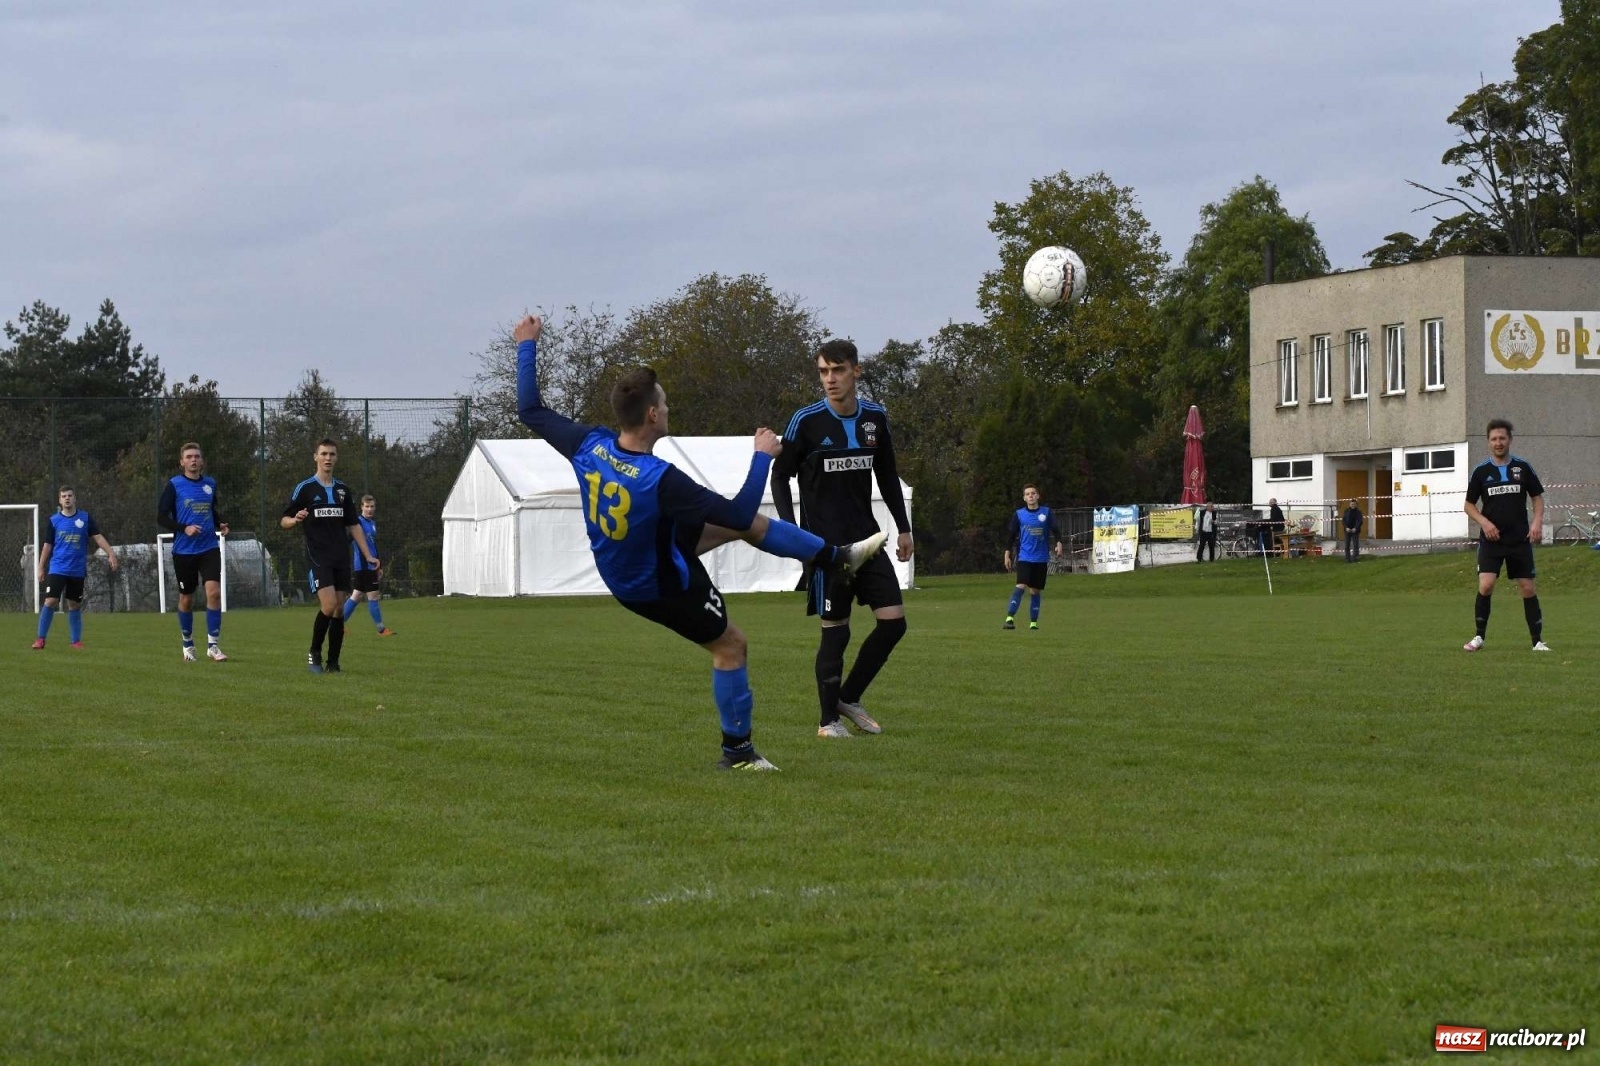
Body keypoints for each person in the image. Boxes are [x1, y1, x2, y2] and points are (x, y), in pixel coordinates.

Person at [513, 315, 885, 772]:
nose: (668, 408)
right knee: (731, 646)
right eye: (664, 403)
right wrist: (760, 458)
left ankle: (834, 558)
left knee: (746, 530)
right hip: (657, 581)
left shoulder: (589, 444)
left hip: (632, 553)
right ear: (651, 415)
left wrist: (526, 344)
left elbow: (529, 409)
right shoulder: (660, 479)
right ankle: (739, 753)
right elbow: (736, 509)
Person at [771, 338, 914, 740]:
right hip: (825, 548)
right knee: (837, 631)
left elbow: (887, 474)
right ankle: (827, 722)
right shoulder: (807, 421)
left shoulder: (875, 418)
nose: (830, 379)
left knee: (893, 624)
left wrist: (903, 528)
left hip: (868, 542)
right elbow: (780, 475)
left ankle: (848, 698)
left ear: (856, 371)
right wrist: (791, 532)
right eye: (823, 371)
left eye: (837, 370)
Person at [281, 439, 378, 673]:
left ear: (336, 457)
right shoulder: (305, 488)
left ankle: (333, 662)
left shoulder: (343, 490)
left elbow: (354, 525)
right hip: (318, 556)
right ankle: (314, 653)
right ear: (315, 456)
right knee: (329, 606)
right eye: (323, 453)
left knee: (338, 610)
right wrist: (295, 520)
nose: (328, 458)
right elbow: (283, 520)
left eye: (332, 454)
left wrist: (368, 555)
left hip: (340, 557)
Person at [1462, 418, 1548, 652]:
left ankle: (1537, 641)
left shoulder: (1523, 467)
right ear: (1488, 442)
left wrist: (1537, 522)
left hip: (1519, 539)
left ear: (1509, 439)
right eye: (1493, 439)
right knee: (1487, 584)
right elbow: (1468, 505)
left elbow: (1537, 497)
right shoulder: (1481, 471)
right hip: (1491, 541)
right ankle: (1479, 637)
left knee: (1527, 587)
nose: (1498, 442)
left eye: (1502, 438)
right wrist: (1484, 522)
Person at [157, 442, 230, 661]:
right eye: (189, 457)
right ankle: (188, 644)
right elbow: (161, 517)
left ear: (202, 460)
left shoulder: (210, 484)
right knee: (186, 599)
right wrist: (183, 528)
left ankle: (213, 646)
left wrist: (220, 524)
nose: (193, 460)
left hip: (208, 547)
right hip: (184, 551)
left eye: (197, 456)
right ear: (182, 462)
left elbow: (211, 510)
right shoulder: (174, 485)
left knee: (214, 592)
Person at [32, 487, 119, 649]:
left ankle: (75, 641)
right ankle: (40, 639)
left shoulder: (85, 518)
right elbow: (47, 546)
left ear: (75, 498)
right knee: (50, 601)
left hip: (77, 570)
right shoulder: (54, 521)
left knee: (74, 605)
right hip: (58, 568)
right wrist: (41, 567)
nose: (67, 499)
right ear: (59, 500)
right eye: (63, 496)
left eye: (70, 496)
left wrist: (111, 554)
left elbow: (98, 537)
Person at [1002, 484, 1064, 629]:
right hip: (1024, 557)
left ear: (1037, 496)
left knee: (1035, 590)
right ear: (1024, 498)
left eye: (1033, 493)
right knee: (1020, 586)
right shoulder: (1019, 514)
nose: (1030, 496)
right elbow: (1011, 535)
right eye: (1027, 494)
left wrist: (1059, 543)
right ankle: (1009, 619)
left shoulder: (1046, 513)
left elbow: (1056, 530)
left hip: (1041, 558)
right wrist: (1007, 553)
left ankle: (1033, 623)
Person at [342, 495, 395, 636]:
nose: (370, 509)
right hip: (364, 566)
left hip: (371, 566)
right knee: (373, 597)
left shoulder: (372, 523)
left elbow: (373, 547)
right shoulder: (357, 523)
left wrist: (380, 566)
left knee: (356, 596)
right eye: (367, 506)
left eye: (372, 506)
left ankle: (337, 624)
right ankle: (381, 629)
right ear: (361, 507)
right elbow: (348, 540)